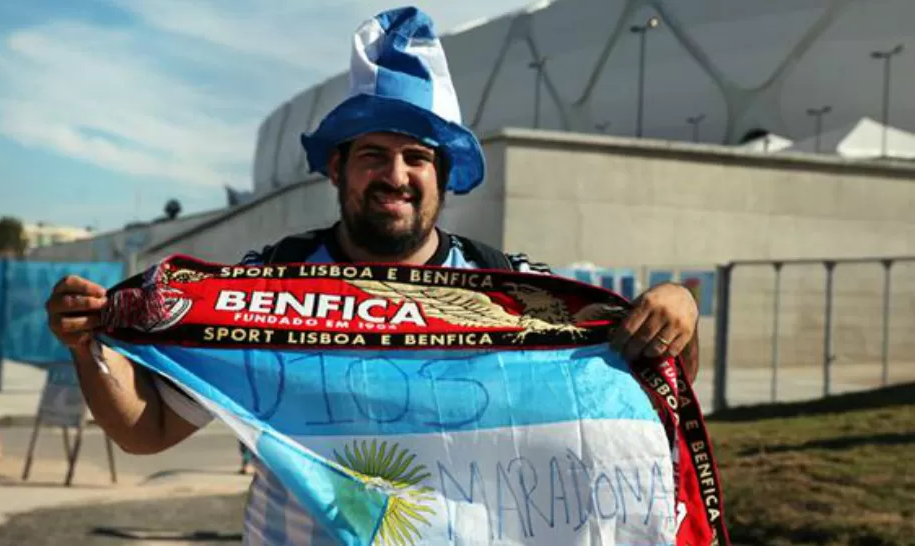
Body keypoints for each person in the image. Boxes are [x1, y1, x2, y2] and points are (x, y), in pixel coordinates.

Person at [46, 7, 700, 545]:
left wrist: (678, 314)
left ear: (442, 179)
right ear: (337, 170)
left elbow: (644, 380)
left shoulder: (514, 292)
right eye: (373, 155)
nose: (395, 175)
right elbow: (147, 430)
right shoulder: (267, 291)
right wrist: (87, 349)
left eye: (417, 157)